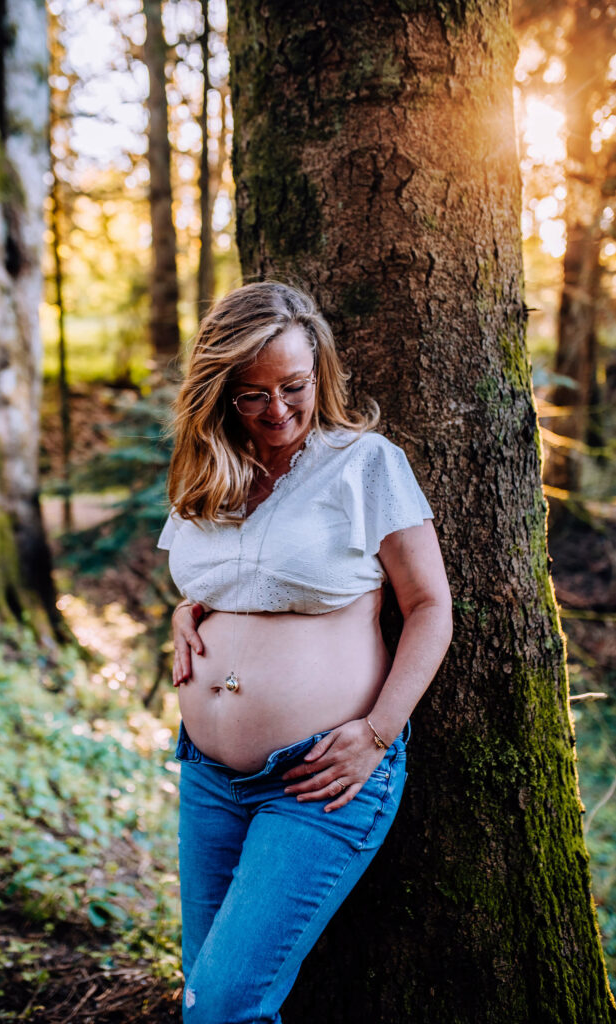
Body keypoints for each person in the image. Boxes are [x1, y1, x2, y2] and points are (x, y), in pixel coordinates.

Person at [157, 281, 452, 1024]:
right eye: (252, 393)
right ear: (220, 392)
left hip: (321, 778)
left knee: (221, 1007)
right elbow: (222, 578)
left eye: (293, 386)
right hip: (208, 775)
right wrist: (185, 612)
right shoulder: (206, 469)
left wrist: (376, 733)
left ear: (319, 371)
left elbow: (428, 607)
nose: (277, 410)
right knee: (202, 994)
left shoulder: (365, 463)